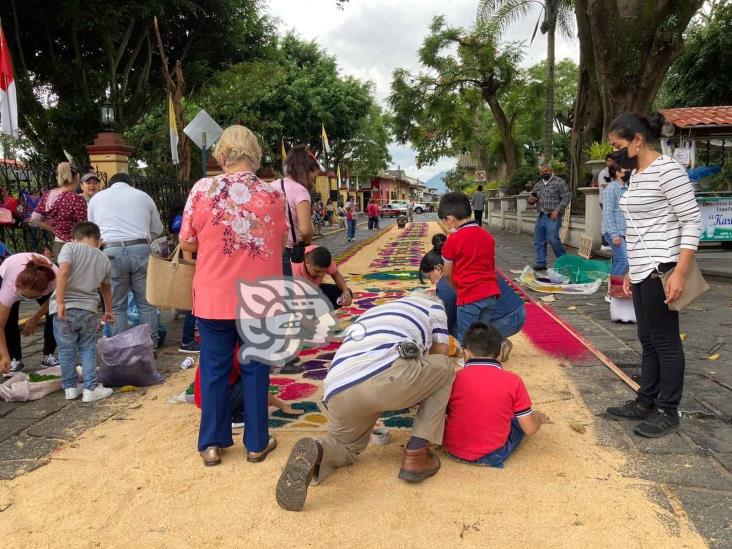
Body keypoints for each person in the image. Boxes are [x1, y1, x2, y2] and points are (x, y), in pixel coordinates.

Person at [276, 292, 455, 512]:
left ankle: (318, 449)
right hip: (386, 379)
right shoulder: (434, 306)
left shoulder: (373, 312)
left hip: (337, 387)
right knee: (445, 368)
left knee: (346, 446)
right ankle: (417, 454)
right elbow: (440, 353)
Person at [180, 125, 287, 466]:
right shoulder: (274, 194)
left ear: (222, 155)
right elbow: (280, 243)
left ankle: (211, 443)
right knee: (256, 367)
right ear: (254, 156)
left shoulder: (202, 190)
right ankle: (256, 443)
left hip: (214, 293)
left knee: (214, 366)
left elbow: (187, 242)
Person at [605, 112, 702, 438]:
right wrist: (632, 268)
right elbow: (639, 228)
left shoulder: (668, 170)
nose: (615, 153)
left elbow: (691, 222)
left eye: (618, 145)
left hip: (664, 268)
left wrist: (680, 272)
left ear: (637, 140)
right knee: (647, 339)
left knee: (665, 341)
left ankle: (667, 409)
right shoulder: (638, 174)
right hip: (644, 269)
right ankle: (645, 401)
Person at [443, 322, 552, 467]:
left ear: (466, 352)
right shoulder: (514, 381)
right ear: (500, 353)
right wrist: (538, 417)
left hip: (453, 450)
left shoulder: (453, 378)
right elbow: (530, 429)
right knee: (518, 421)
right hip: (492, 454)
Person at [420, 234, 525, 361]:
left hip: (506, 320)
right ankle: (498, 343)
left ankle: (479, 354)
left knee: (450, 322)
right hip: (517, 313)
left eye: (429, 277)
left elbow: (445, 322)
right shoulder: (465, 264)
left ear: (438, 269)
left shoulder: (446, 284)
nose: (431, 282)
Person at [88, 172, 163, 346]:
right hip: (140, 248)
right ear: (131, 184)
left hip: (110, 250)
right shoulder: (143, 196)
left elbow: (92, 231)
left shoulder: (96, 198)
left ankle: (121, 348)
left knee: (117, 305)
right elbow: (157, 229)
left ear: (110, 184)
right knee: (146, 303)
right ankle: (150, 345)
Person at [50, 222, 115, 402]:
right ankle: (90, 389)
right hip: (88, 309)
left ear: (74, 237)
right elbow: (106, 288)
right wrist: (109, 310)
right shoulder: (103, 258)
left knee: (65, 350)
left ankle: (70, 388)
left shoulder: (69, 247)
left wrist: (61, 301)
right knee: (87, 348)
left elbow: (63, 272)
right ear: (98, 239)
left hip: (62, 310)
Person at [437, 192, 500, 344]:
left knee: (466, 337)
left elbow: (447, 274)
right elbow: (491, 265)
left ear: (450, 220)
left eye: (445, 221)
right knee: (483, 335)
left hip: (468, 296)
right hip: (491, 294)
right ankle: (485, 359)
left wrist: (457, 291)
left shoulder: (453, 240)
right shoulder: (487, 235)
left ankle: (467, 363)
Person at [192, 344, 305, 428]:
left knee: (251, 378)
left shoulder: (225, 342)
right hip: (217, 402)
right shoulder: (240, 349)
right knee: (256, 380)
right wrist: (283, 406)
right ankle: (231, 417)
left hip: (208, 400)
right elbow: (254, 386)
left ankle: (224, 414)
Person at [0, 254, 59, 375]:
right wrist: (4, 355)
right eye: (24, 296)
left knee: (55, 313)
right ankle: (13, 358)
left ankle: (48, 355)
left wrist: (36, 318)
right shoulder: (9, 287)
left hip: (43, 280)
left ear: (44, 290)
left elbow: (55, 301)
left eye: (34, 297)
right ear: (17, 286)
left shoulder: (55, 279)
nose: (27, 299)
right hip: (9, 269)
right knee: (9, 321)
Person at [30, 162, 88, 259]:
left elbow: (35, 218)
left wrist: (54, 229)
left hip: (58, 244)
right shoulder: (77, 199)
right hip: (76, 246)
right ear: (77, 176)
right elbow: (83, 226)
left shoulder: (49, 195)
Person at [527, 163, 571, 271]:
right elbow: (533, 198)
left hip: (553, 216)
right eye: (542, 172)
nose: (544, 173)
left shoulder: (559, 182)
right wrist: (531, 201)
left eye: (546, 171)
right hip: (541, 215)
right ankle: (541, 263)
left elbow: (567, 196)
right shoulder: (538, 185)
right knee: (539, 240)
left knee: (552, 239)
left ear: (551, 170)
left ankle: (565, 262)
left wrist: (557, 210)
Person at [281, 145, 316, 276]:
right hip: (290, 252)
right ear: (305, 170)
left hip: (272, 252)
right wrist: (308, 242)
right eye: (314, 176)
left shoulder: (271, 186)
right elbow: (305, 230)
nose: (313, 181)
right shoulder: (300, 191)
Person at [601, 165, 630, 277]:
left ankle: (612, 288)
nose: (628, 172)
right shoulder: (611, 189)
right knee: (625, 260)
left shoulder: (628, 187)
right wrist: (614, 234)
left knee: (620, 259)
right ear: (617, 173)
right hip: (614, 232)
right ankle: (613, 288)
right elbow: (607, 213)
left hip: (625, 231)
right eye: (625, 170)